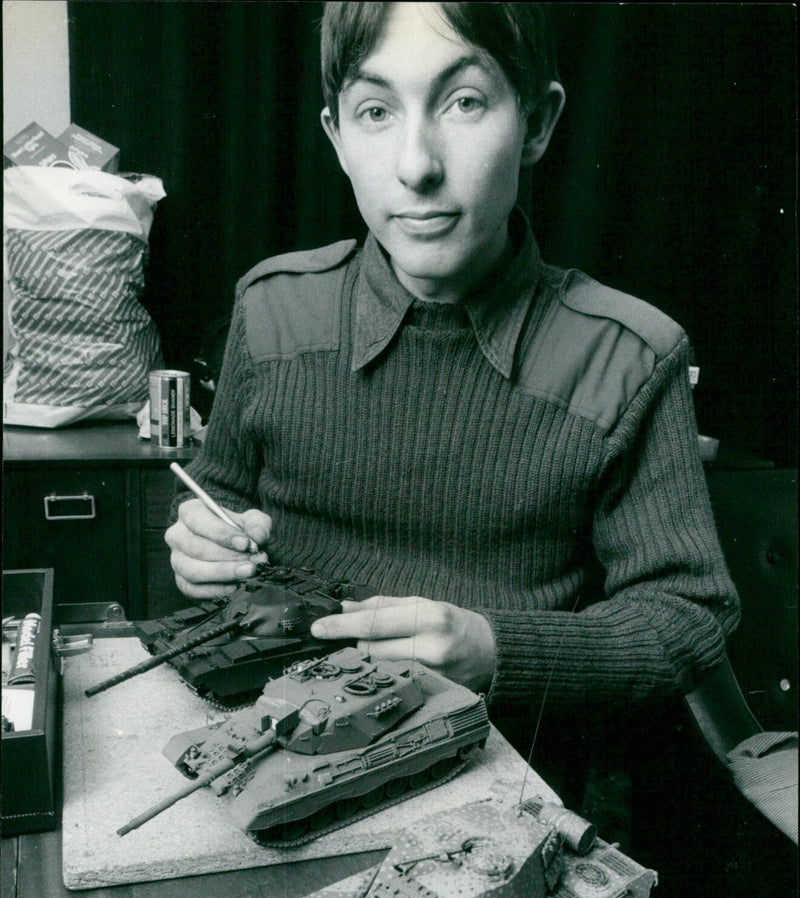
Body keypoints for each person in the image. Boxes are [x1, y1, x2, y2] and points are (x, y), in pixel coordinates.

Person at [165, 1, 739, 787]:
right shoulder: (271, 308)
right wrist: (200, 543)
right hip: (269, 746)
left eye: (463, 102)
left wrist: (500, 647)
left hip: (498, 772)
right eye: (375, 111)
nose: (415, 165)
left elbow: (688, 615)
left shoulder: (631, 355)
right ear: (336, 137)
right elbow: (217, 499)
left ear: (536, 124)